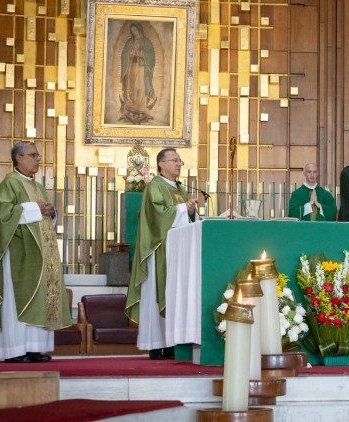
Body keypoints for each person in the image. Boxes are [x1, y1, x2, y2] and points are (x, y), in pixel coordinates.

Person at [0, 141, 71, 362]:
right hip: (18, 253)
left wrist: (50, 212)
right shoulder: (10, 183)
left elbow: (42, 217)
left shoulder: (37, 186)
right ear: (19, 158)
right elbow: (3, 215)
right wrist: (36, 208)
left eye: (38, 155)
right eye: (33, 155)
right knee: (18, 299)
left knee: (40, 298)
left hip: (41, 255)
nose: (38, 159)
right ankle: (14, 351)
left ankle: (34, 348)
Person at [125, 148, 198, 359]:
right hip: (158, 250)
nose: (179, 164)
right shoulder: (155, 186)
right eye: (174, 160)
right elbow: (157, 217)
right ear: (161, 164)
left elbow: (187, 219)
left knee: (175, 296)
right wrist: (185, 208)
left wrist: (191, 211)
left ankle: (174, 342)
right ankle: (156, 344)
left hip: (178, 253)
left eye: (180, 160)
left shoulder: (181, 189)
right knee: (156, 295)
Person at [120, 22, 157, 125]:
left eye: (135, 31)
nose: (134, 33)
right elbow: (123, 55)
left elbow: (151, 56)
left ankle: (141, 107)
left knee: (140, 86)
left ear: (139, 30)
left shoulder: (147, 42)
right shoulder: (129, 42)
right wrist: (129, 55)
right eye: (132, 31)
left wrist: (141, 54)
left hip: (142, 68)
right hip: (131, 66)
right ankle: (131, 105)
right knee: (131, 86)